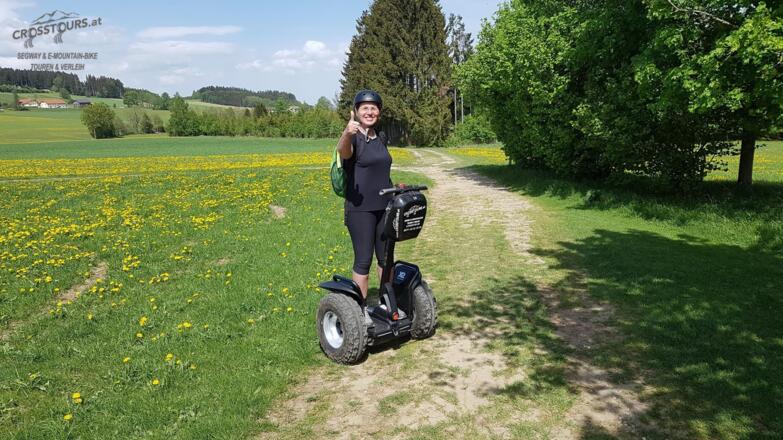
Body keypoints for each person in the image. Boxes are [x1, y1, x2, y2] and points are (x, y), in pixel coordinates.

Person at [335, 90, 394, 317]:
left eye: (374, 107)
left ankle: (386, 303)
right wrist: (347, 134)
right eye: (365, 108)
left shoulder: (381, 137)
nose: (370, 111)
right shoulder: (353, 138)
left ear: (378, 111)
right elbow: (343, 152)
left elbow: (381, 169)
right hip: (360, 210)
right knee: (363, 261)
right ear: (357, 112)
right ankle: (358, 313)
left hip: (385, 207)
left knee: (386, 259)